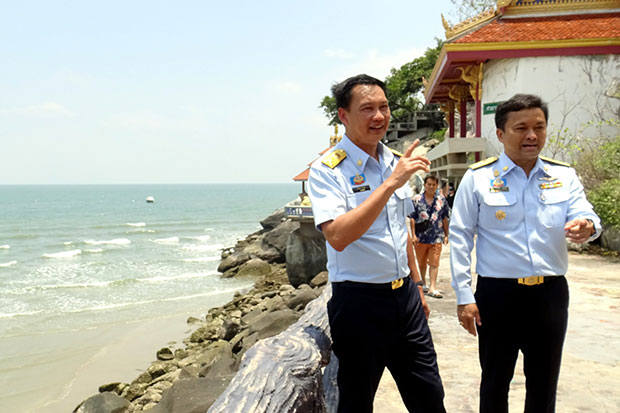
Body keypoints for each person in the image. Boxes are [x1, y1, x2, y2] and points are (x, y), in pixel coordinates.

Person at [449, 93, 601, 413]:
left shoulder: (564, 176)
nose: (532, 135)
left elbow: (586, 215)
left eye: (539, 127)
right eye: (521, 128)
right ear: (501, 134)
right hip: (497, 294)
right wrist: (464, 296)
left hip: (549, 294)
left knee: (544, 382)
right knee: (495, 380)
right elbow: (460, 237)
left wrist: (587, 226)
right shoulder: (478, 178)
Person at [308, 74, 446, 413]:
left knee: (430, 398)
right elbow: (338, 236)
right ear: (343, 116)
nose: (379, 116)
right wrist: (390, 184)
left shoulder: (394, 160)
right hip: (359, 304)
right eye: (367, 108)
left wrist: (416, 285)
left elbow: (401, 231)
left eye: (383, 107)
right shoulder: (328, 170)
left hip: (406, 301)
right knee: (356, 402)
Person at [410, 175, 450, 298]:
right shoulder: (416, 199)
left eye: (434, 185)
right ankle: (424, 282)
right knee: (421, 262)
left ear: (437, 185)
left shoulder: (441, 200)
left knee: (434, 262)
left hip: (436, 236)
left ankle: (433, 287)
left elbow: (444, 218)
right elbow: (412, 217)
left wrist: (446, 234)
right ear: (425, 185)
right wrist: (413, 235)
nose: (431, 187)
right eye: (429, 184)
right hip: (421, 237)